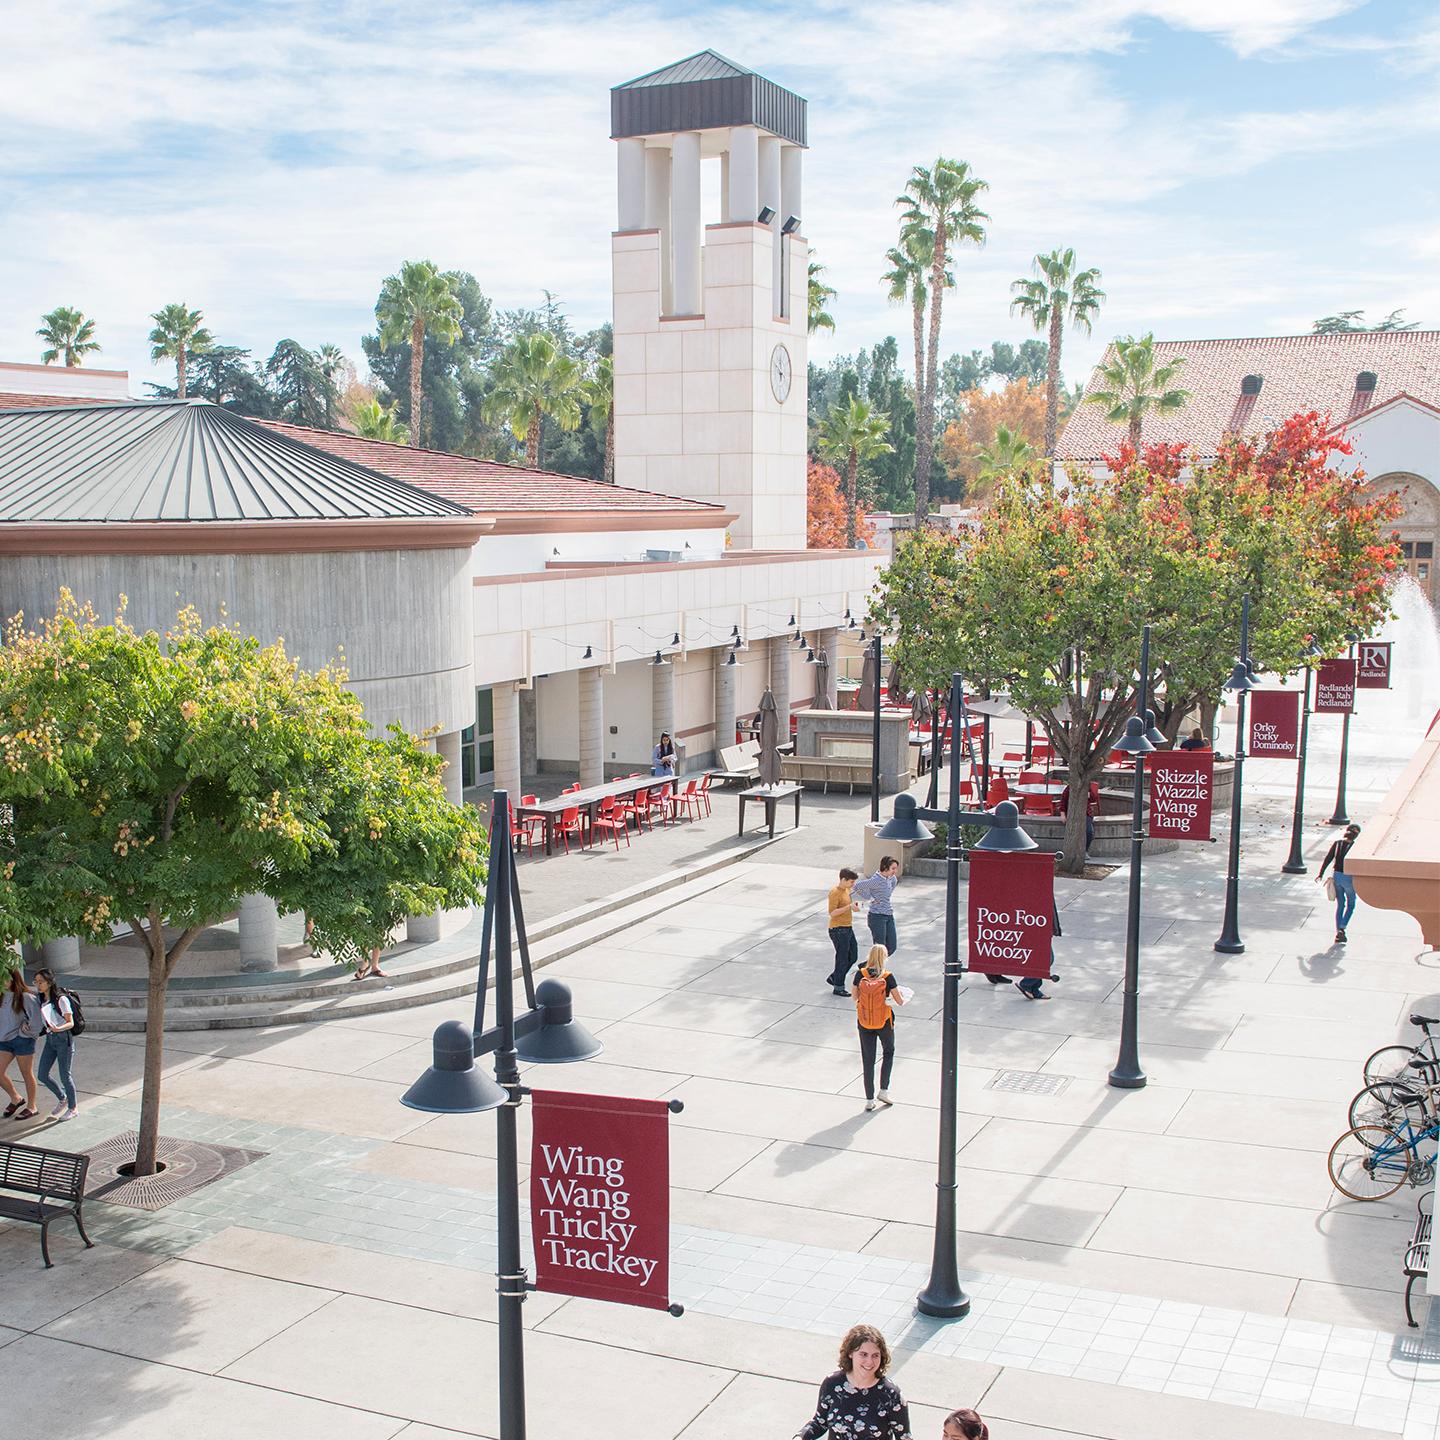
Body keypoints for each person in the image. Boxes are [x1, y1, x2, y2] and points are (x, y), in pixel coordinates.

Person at [794, 1323, 912, 1440]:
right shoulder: (832, 1384)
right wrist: (799, 1437)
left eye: (875, 1355)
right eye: (863, 1354)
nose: (869, 1362)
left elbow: (904, 1437)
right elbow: (819, 1423)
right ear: (850, 1353)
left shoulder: (891, 1395)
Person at [853, 944, 904, 1112]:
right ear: (884, 957)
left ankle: (869, 1100)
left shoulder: (861, 974)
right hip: (884, 1022)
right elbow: (899, 1001)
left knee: (868, 1060)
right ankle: (883, 1090)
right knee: (888, 1052)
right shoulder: (888, 976)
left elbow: (854, 997)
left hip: (864, 1022)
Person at [33, 968, 77, 1120]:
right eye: (36, 982)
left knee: (65, 1075)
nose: (38, 985)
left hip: (64, 1039)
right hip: (50, 1039)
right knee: (42, 1074)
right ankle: (62, 1097)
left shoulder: (61, 999)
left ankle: (73, 1108)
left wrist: (58, 1028)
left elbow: (70, 1022)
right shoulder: (41, 999)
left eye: (41, 982)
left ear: (49, 982)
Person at [0, 967, 42, 1120]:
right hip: (4, 1040)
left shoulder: (26, 997)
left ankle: (32, 1106)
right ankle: (16, 1098)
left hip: (22, 1040)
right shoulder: (2, 995)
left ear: (13, 978)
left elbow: (37, 1023)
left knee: (26, 1073)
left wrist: (25, 1034)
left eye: (4, 977)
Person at [1318, 824, 1362, 943]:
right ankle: (1343, 927)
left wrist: (1321, 873)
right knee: (1351, 904)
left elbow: (1328, 858)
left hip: (1337, 876)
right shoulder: (1355, 847)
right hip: (1348, 877)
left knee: (1340, 904)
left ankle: (1338, 931)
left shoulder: (1337, 844)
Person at [852, 857, 900, 954]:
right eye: (893, 868)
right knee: (879, 949)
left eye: (896, 868)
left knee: (891, 947)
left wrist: (883, 897)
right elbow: (857, 886)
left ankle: (867, 965)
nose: (895, 871)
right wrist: (870, 897)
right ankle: (872, 967)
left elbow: (890, 890)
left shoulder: (892, 879)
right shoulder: (876, 880)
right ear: (885, 867)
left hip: (889, 915)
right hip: (877, 916)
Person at [826, 868, 860, 996]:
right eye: (851, 882)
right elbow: (832, 912)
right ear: (843, 880)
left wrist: (854, 907)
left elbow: (848, 906)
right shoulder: (835, 892)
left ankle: (835, 977)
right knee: (842, 958)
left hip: (848, 927)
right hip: (838, 929)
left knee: (853, 955)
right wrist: (848, 907)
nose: (853, 884)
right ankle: (838, 986)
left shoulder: (847, 890)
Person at [1060, 779, 1101, 856]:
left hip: (1086, 813)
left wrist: (1089, 794)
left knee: (1089, 831)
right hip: (1072, 813)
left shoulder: (1086, 788)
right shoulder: (1069, 789)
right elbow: (1063, 802)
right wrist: (1063, 814)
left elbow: (1093, 799)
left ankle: (1085, 850)